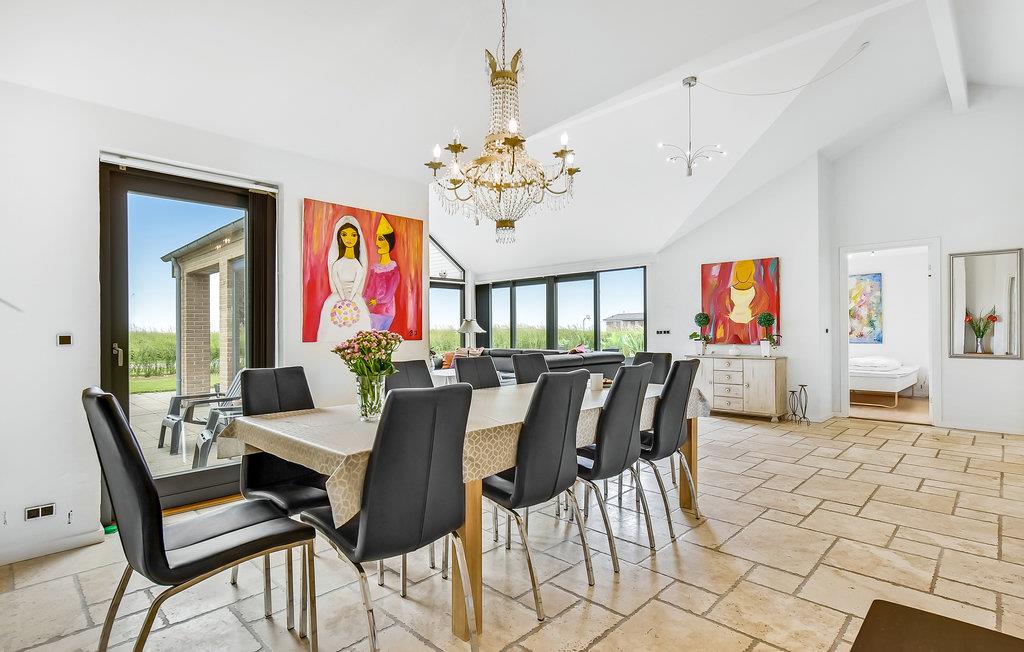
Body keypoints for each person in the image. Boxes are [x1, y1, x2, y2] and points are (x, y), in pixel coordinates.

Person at [317, 216, 371, 340]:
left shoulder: (358, 265)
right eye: (344, 235)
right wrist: (343, 300)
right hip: (337, 298)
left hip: (354, 298)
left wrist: (349, 300)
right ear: (339, 237)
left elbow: (357, 283)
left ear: (358, 238)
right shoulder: (337, 264)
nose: (349, 239)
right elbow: (336, 282)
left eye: (353, 235)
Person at [364, 216, 401, 331]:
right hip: (371, 310)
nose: (377, 243)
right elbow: (369, 288)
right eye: (377, 239)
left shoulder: (393, 269)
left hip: (385, 311)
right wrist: (364, 300)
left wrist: (377, 301)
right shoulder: (374, 268)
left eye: (380, 239)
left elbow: (390, 292)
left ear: (388, 242)